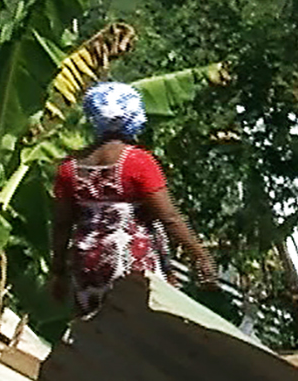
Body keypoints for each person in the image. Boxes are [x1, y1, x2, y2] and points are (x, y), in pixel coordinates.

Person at [49, 80, 219, 314]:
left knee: (95, 328)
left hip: (87, 263)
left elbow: (62, 224)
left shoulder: (71, 167)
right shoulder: (138, 162)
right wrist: (201, 257)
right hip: (131, 262)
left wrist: (57, 271)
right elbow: (169, 217)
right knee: (142, 328)